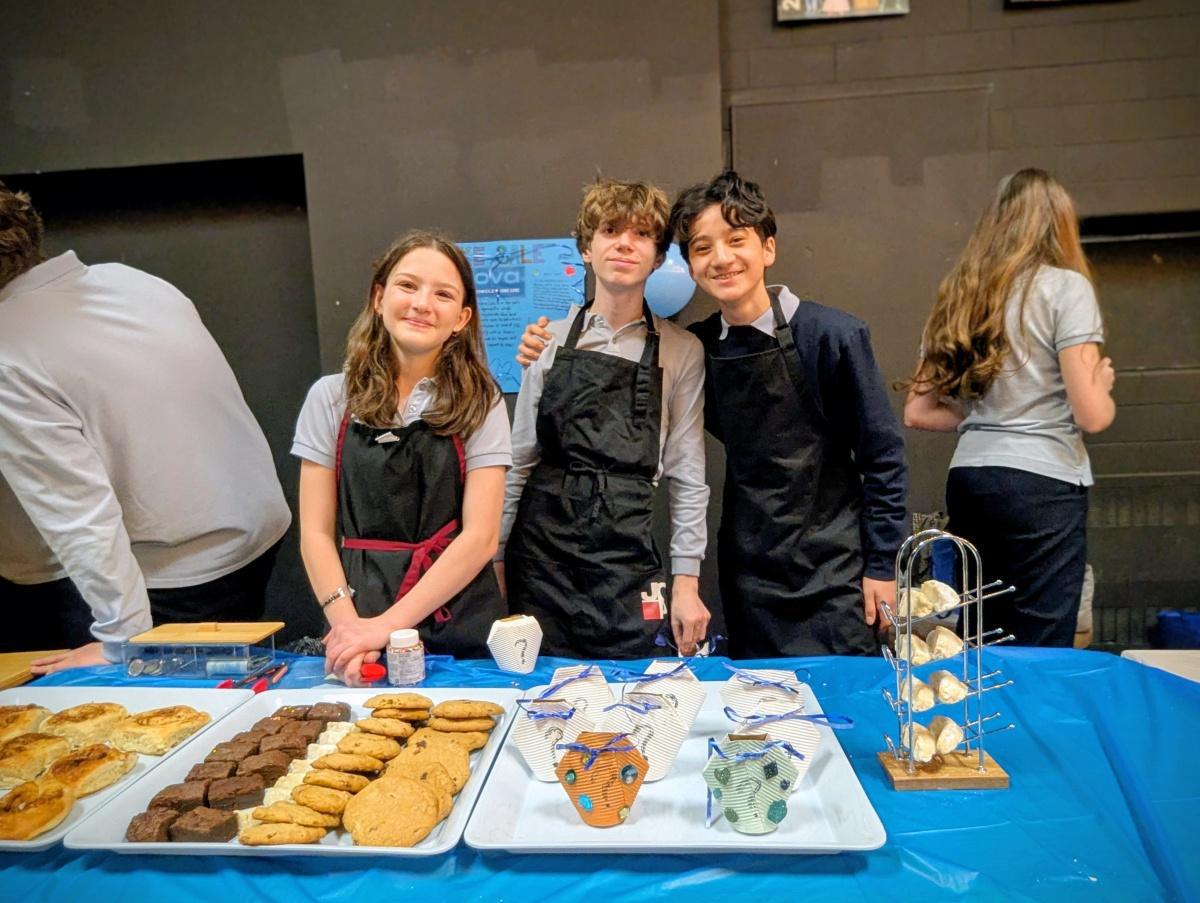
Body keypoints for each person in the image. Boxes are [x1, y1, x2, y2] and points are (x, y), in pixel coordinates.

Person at [520, 171, 907, 657]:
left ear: (768, 248)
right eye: (703, 248)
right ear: (688, 264)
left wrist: (883, 564)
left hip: (838, 569)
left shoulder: (832, 336)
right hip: (747, 570)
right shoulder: (700, 346)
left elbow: (884, 459)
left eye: (736, 240)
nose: (721, 259)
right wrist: (543, 341)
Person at [0, 182, 290, 672]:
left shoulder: (9, 349)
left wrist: (122, 640)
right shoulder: (130, 281)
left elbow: (77, 512)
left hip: (175, 576)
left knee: (161, 723)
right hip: (251, 538)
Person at [902, 168, 1115, 647]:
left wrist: (987, 416)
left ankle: (983, 723)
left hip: (973, 479)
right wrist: (1099, 381)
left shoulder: (962, 293)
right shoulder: (1066, 288)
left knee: (984, 633)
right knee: (1041, 642)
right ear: (1058, 224)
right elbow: (1092, 414)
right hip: (1043, 483)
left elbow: (917, 410)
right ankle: (1034, 724)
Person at [499, 178, 710, 658]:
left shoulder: (682, 351)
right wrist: (493, 559)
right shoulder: (548, 340)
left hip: (626, 556)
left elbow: (688, 474)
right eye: (611, 230)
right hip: (540, 558)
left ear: (658, 257)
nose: (624, 243)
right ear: (587, 248)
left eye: (641, 234)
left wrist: (686, 581)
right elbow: (518, 462)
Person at [293, 230, 510, 683]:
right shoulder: (329, 399)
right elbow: (315, 532)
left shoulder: (482, 401)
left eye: (443, 294)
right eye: (408, 285)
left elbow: (481, 538)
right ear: (379, 297)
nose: (422, 303)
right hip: (353, 612)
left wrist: (385, 628)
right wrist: (349, 627)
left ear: (462, 318)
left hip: (455, 619)